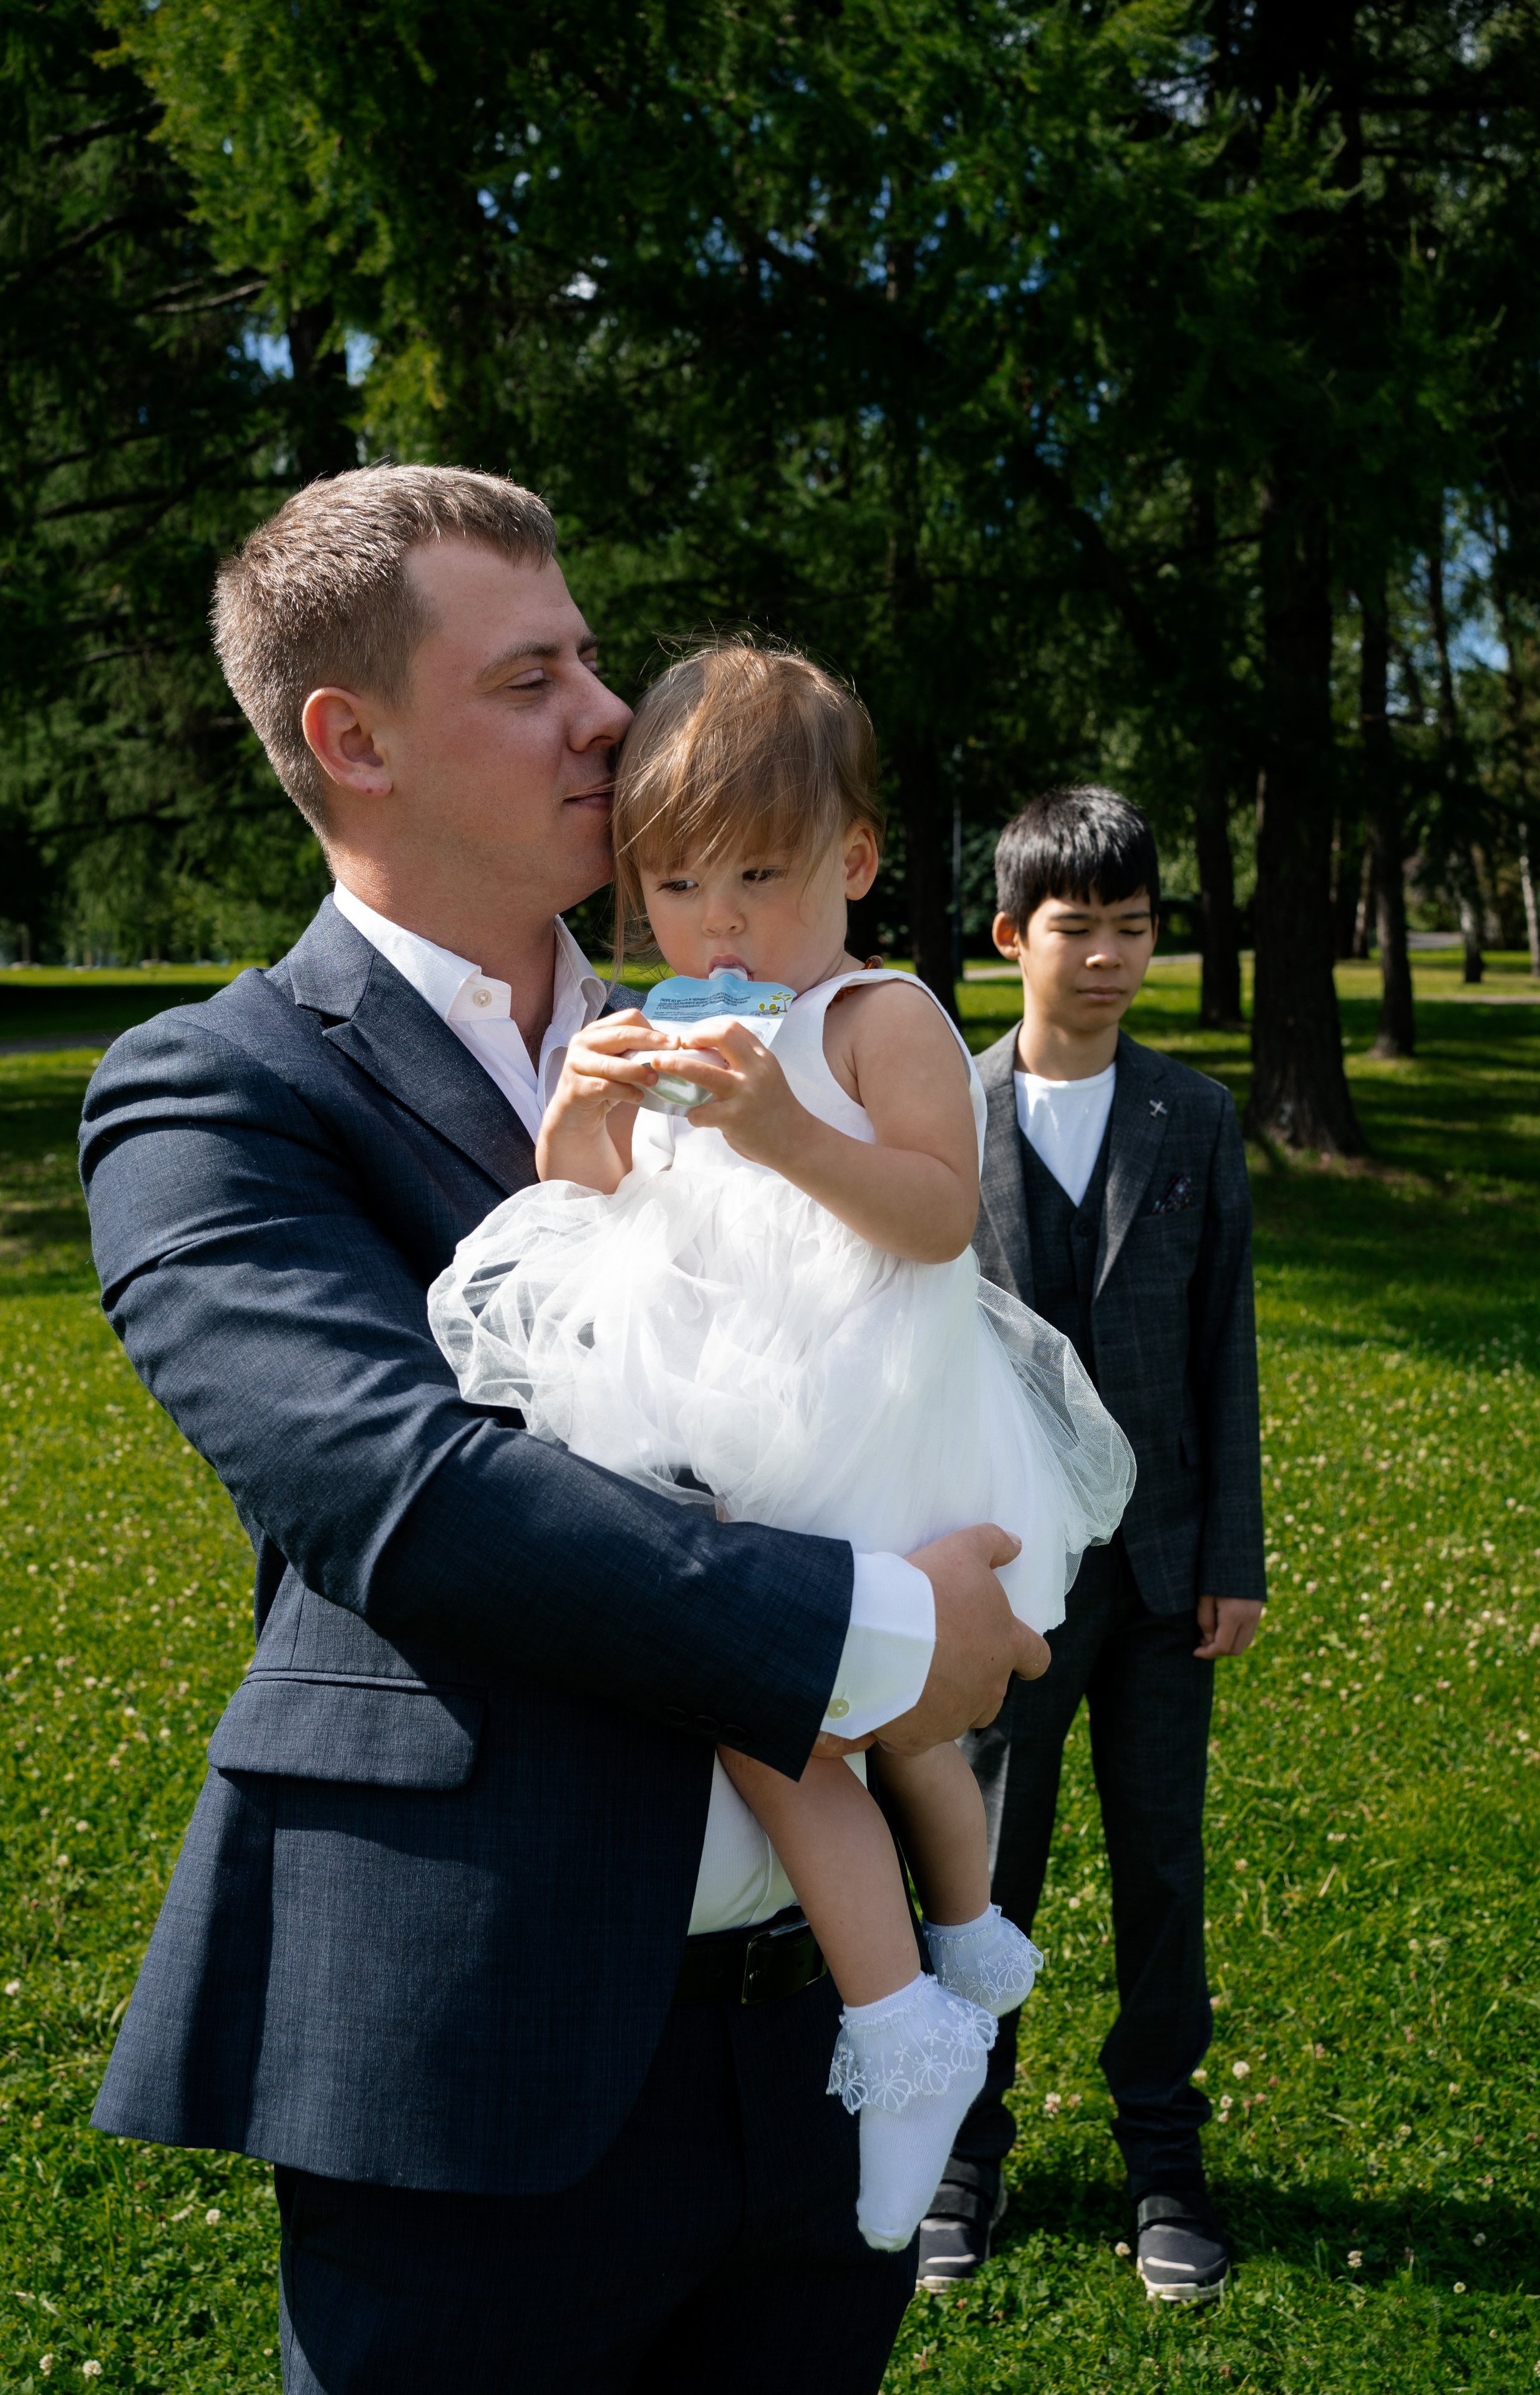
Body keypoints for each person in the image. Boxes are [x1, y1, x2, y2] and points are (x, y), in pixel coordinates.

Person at [79, 464, 1054, 2395]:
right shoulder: (215, 1091)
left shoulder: (764, 1016)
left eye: (596, 657)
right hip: (480, 2070)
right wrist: (879, 1630)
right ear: (353, 741)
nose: (613, 714)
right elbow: (410, 1496)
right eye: (535, 678)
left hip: (810, 2044)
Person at [427, 642, 1136, 2255]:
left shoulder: (877, 1014)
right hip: (717, 1395)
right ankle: (971, 1942)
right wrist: (588, 1113)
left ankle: (907, 2025)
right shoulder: (655, 1016)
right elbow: (598, 1198)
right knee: (880, 1739)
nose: (720, 927)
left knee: (793, 1721)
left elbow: (940, 1218)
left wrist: (779, 1127)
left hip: (863, 1404)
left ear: (858, 865)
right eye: (675, 887)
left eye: (761, 876)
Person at [916, 785, 1265, 2306]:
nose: (1111, 956)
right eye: (1079, 929)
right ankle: (956, 2150)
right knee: (980, 1870)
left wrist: (1231, 1555)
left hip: (1159, 1576)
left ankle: (1161, 2162)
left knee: (1160, 1870)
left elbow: (1222, 1349)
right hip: (999, 1585)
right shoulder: (941, 1114)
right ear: (1010, 938)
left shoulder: (1192, 1117)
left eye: (1134, 929)